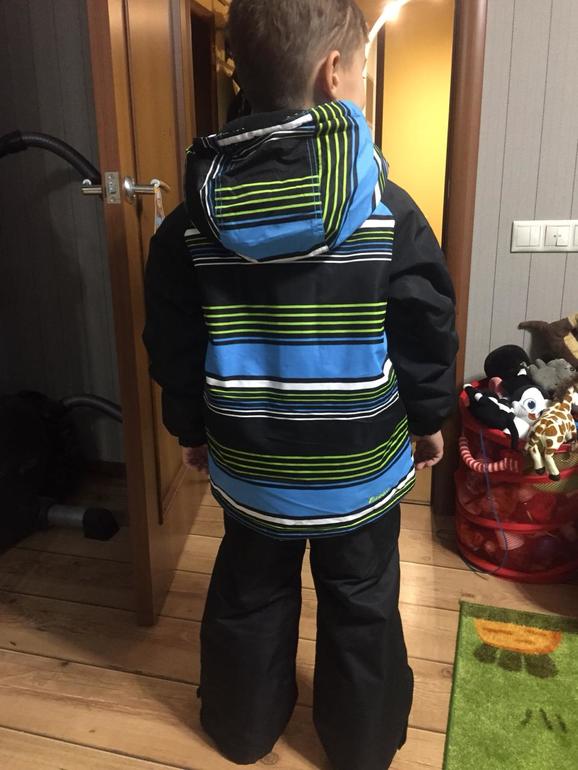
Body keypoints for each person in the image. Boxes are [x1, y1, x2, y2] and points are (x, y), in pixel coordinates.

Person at [142, 1, 458, 768]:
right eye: (364, 70)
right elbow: (423, 327)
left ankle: (243, 729)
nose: (363, 82)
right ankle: (362, 743)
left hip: (251, 465)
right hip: (359, 466)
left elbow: (176, 341)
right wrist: (428, 419)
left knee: (250, 594)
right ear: (333, 73)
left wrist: (189, 427)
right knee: (363, 600)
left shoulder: (190, 223)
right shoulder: (387, 209)